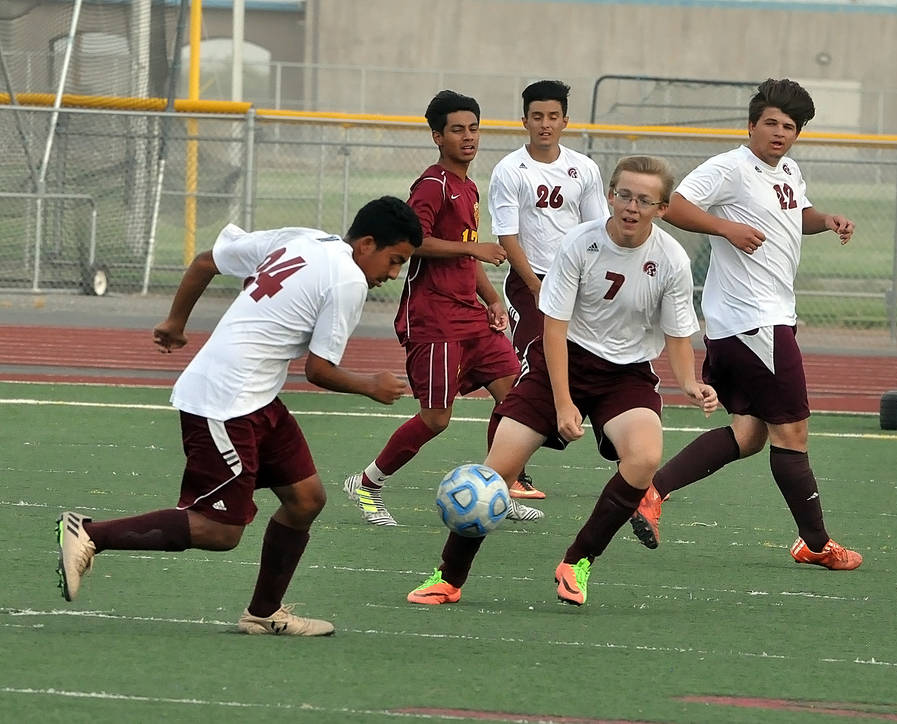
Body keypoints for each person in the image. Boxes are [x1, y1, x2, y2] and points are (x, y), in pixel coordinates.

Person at [54, 196, 424, 636]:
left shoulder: (302, 238)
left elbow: (204, 262)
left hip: (256, 397)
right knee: (220, 531)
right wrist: (370, 385)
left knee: (306, 499)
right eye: (395, 260)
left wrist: (175, 323)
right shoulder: (348, 280)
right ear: (366, 244)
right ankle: (89, 533)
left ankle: (264, 612)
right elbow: (318, 370)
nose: (393, 274)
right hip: (224, 402)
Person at [405, 155, 719, 607]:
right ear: (610, 196)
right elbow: (553, 328)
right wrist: (564, 401)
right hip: (562, 360)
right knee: (496, 472)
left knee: (645, 457)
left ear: (662, 209)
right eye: (624, 195)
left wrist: (689, 382)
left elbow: (677, 334)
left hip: (626, 374)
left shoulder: (671, 259)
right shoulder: (580, 242)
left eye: (644, 200)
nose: (631, 207)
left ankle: (578, 561)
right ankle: (449, 578)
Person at [628, 78, 862, 571]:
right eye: (771, 123)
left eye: (789, 127)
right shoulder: (730, 167)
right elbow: (674, 205)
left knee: (749, 434)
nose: (779, 133)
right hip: (755, 321)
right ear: (751, 125)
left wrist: (827, 220)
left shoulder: (788, 170)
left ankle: (652, 493)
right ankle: (816, 543)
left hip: (753, 321)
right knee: (792, 433)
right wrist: (725, 227)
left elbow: (796, 214)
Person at [343, 90, 543, 526]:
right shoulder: (432, 185)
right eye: (457, 130)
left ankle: (498, 488)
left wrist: (492, 299)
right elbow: (412, 242)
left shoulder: (468, 186)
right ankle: (368, 483)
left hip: (469, 315)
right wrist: (475, 248)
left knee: (516, 397)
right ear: (438, 136)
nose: (468, 137)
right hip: (434, 319)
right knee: (435, 419)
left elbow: (466, 255)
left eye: (474, 128)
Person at [487, 79, 608, 500]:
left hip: (578, 282)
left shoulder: (584, 169)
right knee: (530, 371)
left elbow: (598, 230)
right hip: (532, 283)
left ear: (565, 121)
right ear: (524, 120)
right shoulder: (510, 170)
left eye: (553, 116)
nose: (545, 124)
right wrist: (537, 286)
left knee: (597, 363)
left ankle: (624, 454)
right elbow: (507, 236)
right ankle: (503, 474)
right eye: (537, 116)